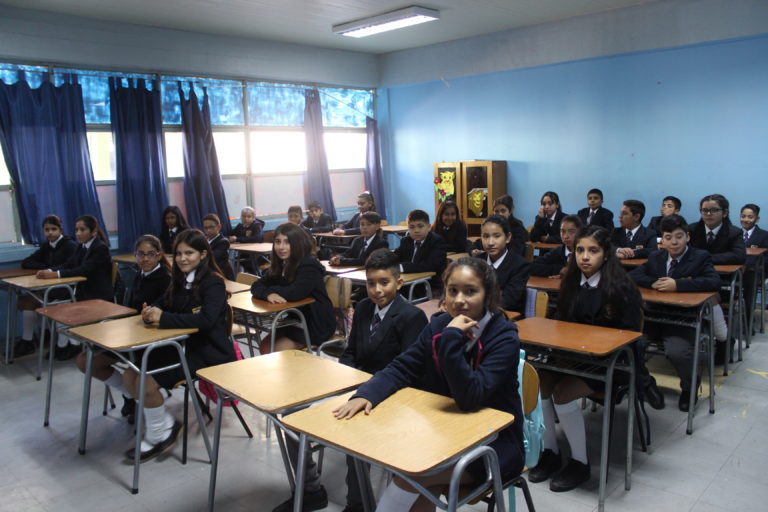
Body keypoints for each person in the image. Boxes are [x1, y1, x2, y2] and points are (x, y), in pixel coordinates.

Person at [332, 258, 524, 512]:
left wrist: (451, 338)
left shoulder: (503, 336)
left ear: (487, 294)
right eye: (452, 290)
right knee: (404, 462)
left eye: (471, 291)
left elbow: (470, 397)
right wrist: (366, 394)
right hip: (445, 432)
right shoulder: (439, 325)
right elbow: (402, 367)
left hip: (494, 444)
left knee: (412, 475)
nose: (459, 300)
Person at [272, 250, 428, 512]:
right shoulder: (365, 307)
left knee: (357, 433)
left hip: (391, 396)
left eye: (384, 282)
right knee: (290, 416)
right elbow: (350, 352)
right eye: (371, 283)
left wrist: (365, 391)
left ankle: (357, 505)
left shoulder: (412, 317)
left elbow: (408, 371)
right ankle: (311, 491)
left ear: (399, 283)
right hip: (353, 386)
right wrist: (344, 382)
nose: (377, 290)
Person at [528, 226, 644, 492]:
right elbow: (561, 324)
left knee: (563, 392)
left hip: (611, 363)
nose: (585, 257)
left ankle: (580, 463)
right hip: (570, 357)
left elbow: (628, 338)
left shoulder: (621, 287)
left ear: (606, 255)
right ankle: (550, 452)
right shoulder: (570, 282)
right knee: (539, 383)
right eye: (580, 250)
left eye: (593, 251)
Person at [127, 229, 236, 461]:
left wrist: (163, 318)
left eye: (189, 253)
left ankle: (159, 433)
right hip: (182, 346)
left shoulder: (213, 283)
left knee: (145, 381)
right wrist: (150, 311)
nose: (183, 258)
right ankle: (163, 420)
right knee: (131, 373)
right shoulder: (180, 280)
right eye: (178, 254)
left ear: (204, 254)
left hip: (208, 352)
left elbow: (205, 320)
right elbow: (164, 302)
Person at [75, 234, 172, 425]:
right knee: (85, 362)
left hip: (149, 341)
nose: (145, 259)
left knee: (125, 372)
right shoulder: (138, 275)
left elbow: (158, 316)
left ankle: (138, 399)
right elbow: (131, 311)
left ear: (159, 255)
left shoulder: (165, 280)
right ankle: (132, 396)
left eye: (150, 254)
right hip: (131, 334)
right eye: (140, 254)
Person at [629, 215, 722, 411]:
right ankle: (647, 385)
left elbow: (714, 282)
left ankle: (689, 388)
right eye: (668, 237)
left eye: (679, 237)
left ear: (687, 237)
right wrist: (651, 282)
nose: (674, 242)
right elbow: (634, 275)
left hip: (684, 320)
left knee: (677, 352)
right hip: (654, 317)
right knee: (630, 346)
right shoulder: (657, 256)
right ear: (662, 239)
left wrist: (678, 285)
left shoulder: (700, 256)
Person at [36, 215, 114, 360]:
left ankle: (74, 345)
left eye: (82, 229)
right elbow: (69, 264)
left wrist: (56, 275)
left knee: (61, 306)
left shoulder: (100, 248)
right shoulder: (82, 246)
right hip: (84, 293)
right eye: (76, 229)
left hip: (98, 296)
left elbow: (83, 270)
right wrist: (51, 271)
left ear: (93, 231)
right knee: (56, 307)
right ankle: (66, 345)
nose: (78, 233)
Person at [250, 223, 335, 351]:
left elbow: (294, 293)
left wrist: (272, 290)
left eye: (287, 242)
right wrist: (268, 294)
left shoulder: (309, 265)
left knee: (277, 350)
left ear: (298, 243)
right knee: (265, 347)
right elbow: (256, 285)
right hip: (294, 320)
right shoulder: (281, 264)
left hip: (316, 323)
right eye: (277, 242)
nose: (281, 247)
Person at [688, 194, 745, 363]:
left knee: (710, 296)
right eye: (704, 210)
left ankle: (723, 340)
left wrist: (704, 258)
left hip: (724, 284)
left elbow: (739, 256)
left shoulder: (734, 232)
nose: (708, 214)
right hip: (695, 279)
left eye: (714, 210)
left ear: (724, 213)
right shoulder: (692, 229)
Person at [15, 214, 79, 356]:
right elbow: (27, 262)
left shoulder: (70, 245)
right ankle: (27, 341)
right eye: (46, 229)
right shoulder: (47, 246)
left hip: (66, 290)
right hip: (50, 288)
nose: (50, 232)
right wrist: (45, 267)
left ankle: (65, 344)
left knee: (56, 306)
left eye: (53, 229)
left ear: (61, 229)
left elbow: (70, 266)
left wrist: (50, 270)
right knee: (26, 301)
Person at [475, 215, 530, 313]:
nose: (490, 242)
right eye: (486, 236)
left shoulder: (520, 265)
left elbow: (508, 301)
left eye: (497, 236)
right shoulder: (476, 262)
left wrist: (476, 301)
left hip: (506, 318)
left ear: (508, 237)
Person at [393, 209, 447, 289]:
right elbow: (395, 257)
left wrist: (401, 267)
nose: (416, 231)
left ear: (429, 227)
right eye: (412, 227)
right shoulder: (406, 241)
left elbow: (429, 266)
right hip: (407, 282)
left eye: (420, 226)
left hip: (429, 285)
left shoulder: (437, 241)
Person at [740, 204, 768, 321]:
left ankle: (747, 322)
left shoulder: (764, 235)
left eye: (750, 217)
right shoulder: (735, 234)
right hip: (737, 270)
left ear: (757, 219)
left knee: (751, 279)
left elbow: (766, 259)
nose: (746, 220)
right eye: (743, 216)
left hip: (755, 271)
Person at [228, 206, 266, 273]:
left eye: (249, 216)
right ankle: (240, 278)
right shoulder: (240, 226)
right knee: (234, 262)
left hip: (256, 255)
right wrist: (230, 238)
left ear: (253, 218)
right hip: (244, 254)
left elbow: (257, 238)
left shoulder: (257, 225)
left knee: (244, 265)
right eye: (243, 216)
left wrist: (237, 239)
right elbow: (230, 234)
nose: (246, 219)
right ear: (241, 217)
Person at [202, 213, 235, 281]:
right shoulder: (205, 240)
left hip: (222, 275)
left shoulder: (223, 242)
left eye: (211, 227)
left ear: (219, 227)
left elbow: (213, 257)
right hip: (209, 273)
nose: (208, 230)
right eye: (205, 228)